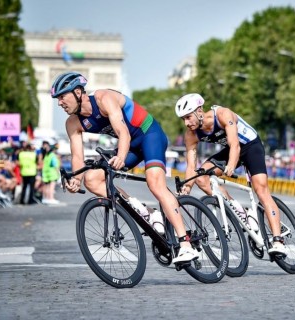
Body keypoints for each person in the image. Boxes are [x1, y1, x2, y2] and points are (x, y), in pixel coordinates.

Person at [50, 72, 199, 263]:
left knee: (155, 184)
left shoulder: (104, 98)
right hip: (131, 146)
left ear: (78, 92)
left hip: (148, 134)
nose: (59, 103)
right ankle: (145, 212)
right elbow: (78, 156)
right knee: (92, 179)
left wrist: (120, 157)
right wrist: (75, 180)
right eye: (57, 99)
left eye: (62, 97)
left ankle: (185, 243)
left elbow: (123, 133)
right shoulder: (72, 122)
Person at [174, 93, 286, 255]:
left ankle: (278, 241)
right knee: (201, 176)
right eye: (183, 119)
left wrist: (232, 165)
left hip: (249, 146)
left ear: (199, 111)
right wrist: (187, 187)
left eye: (188, 117)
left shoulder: (223, 114)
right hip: (229, 151)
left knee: (261, 191)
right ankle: (238, 209)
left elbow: (235, 145)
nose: (186, 123)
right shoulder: (191, 134)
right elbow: (191, 166)